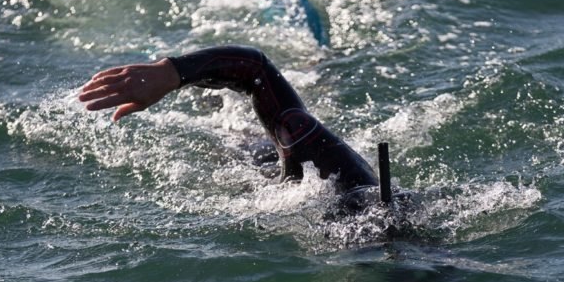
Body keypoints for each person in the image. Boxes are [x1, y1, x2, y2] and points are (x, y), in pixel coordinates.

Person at [77, 45, 379, 202]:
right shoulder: (347, 182)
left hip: (276, 174)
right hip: (259, 160)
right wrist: (171, 72)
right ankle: (317, 64)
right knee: (233, 132)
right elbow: (255, 69)